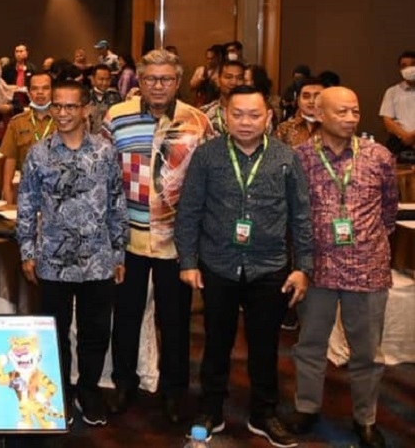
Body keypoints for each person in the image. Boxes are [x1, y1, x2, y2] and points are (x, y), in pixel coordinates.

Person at [175, 85, 312, 447]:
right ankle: (211, 409)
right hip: (217, 265)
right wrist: (188, 261)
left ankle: (264, 413)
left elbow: (301, 216)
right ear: (225, 115)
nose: (246, 122)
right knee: (215, 343)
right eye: (237, 114)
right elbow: (189, 211)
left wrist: (303, 267)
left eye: (254, 115)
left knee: (265, 346)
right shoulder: (207, 156)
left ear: (269, 117)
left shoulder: (286, 157)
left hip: (269, 268)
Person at [103, 49, 214, 423]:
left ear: (178, 82)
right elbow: (103, 172)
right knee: (126, 316)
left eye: (166, 79)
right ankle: (123, 383)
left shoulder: (197, 122)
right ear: (140, 81)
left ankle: (173, 392)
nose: (158, 86)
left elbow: (210, 178)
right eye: (150, 79)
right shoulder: (117, 117)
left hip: (176, 241)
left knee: (175, 321)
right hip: (127, 238)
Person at [289, 87, 398, 448]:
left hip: (367, 270)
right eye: (342, 112)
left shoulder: (378, 156)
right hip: (316, 270)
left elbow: (389, 210)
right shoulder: (300, 158)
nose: (351, 118)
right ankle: (306, 408)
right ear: (319, 114)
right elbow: (293, 213)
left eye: (355, 111)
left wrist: (368, 242)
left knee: (367, 352)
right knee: (310, 344)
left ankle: (365, 419)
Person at [17, 80, 127, 427]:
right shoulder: (39, 153)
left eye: (70, 106)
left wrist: (119, 252)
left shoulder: (105, 152)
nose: (62, 113)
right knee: (54, 331)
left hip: (98, 259)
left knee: (96, 331)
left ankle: (89, 391)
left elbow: (116, 202)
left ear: (86, 110)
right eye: (57, 106)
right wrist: (27, 250)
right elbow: (27, 205)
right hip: (53, 258)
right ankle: (59, 392)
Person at [0, 72, 53, 200]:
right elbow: (10, 159)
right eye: (35, 89)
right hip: (27, 190)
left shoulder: (64, 122)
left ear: (53, 91)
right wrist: (7, 190)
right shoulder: (17, 123)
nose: (40, 93)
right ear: (28, 93)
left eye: (45, 88)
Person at [379, 50, 415, 163]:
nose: (409, 68)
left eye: (413, 64)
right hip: (400, 144)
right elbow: (387, 120)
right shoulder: (392, 92)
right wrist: (406, 137)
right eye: (404, 66)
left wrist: (413, 137)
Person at [201, 60, 246, 136]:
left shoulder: (254, 113)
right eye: (228, 77)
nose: (234, 82)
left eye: (239, 78)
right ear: (218, 81)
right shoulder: (204, 113)